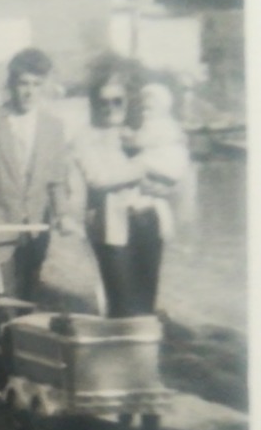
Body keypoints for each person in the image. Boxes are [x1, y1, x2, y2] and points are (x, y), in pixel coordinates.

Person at [0, 47, 75, 301]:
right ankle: (3, 336)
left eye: (36, 84)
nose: (29, 91)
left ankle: (11, 339)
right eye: (23, 83)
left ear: (45, 86)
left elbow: (56, 181)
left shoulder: (53, 127)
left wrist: (63, 214)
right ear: (11, 83)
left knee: (26, 303)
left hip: (34, 233)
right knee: (3, 304)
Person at [75, 68, 190, 317]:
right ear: (95, 104)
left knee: (146, 300)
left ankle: (141, 350)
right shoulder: (87, 137)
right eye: (103, 102)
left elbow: (174, 174)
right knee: (121, 302)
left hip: (149, 221)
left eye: (117, 101)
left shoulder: (141, 130)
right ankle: (119, 349)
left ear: (127, 101)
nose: (110, 107)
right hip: (111, 227)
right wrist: (141, 169)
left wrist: (166, 186)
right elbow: (98, 179)